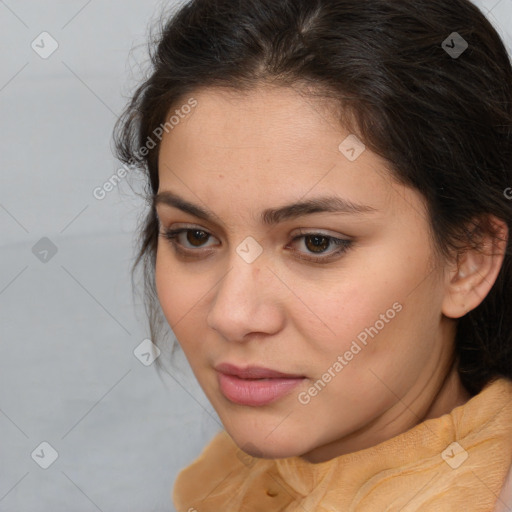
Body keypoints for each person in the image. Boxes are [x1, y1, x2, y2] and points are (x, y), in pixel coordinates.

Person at [113, 0, 512, 509]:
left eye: (316, 242)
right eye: (194, 237)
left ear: (469, 260)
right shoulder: (219, 486)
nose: (232, 315)